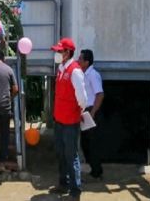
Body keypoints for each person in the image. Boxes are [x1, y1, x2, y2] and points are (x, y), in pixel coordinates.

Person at [50, 37, 87, 201]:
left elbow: (83, 98)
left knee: (71, 156)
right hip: (59, 119)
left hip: (70, 121)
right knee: (60, 153)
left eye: (59, 51)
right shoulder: (61, 68)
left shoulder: (75, 71)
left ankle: (75, 190)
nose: (57, 54)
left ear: (67, 52)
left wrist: (78, 112)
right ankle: (63, 183)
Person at [78, 49, 104, 180]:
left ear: (87, 62)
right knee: (85, 142)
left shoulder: (93, 75)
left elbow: (99, 94)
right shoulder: (83, 74)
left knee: (92, 142)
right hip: (84, 111)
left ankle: (97, 172)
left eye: (80, 59)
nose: (78, 61)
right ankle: (93, 169)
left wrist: (93, 112)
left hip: (91, 111)